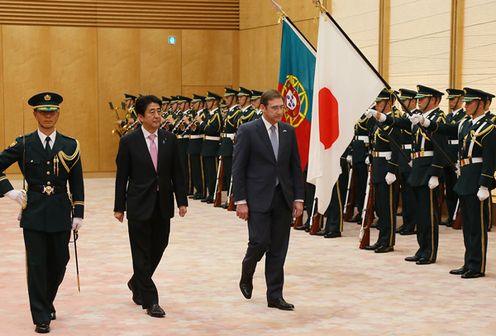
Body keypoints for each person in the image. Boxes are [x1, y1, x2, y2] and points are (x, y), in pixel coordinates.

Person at [0, 92, 84, 334]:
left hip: (60, 210)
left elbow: (77, 181)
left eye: (52, 111)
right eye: (43, 112)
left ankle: (46, 301)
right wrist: (9, 192)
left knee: (60, 261)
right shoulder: (24, 143)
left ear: (58, 113)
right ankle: (41, 315)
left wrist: (78, 212)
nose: (48, 116)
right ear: (35, 114)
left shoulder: (70, 145)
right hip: (34, 211)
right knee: (37, 264)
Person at [114, 95, 188, 318]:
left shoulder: (169, 139)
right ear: (140, 117)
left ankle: (137, 282)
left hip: (163, 203)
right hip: (138, 203)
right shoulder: (128, 141)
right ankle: (151, 300)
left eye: (159, 111)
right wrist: (119, 206)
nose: (157, 116)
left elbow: (178, 172)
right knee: (140, 252)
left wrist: (182, 200)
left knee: (160, 245)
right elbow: (122, 177)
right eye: (152, 112)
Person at [232, 89, 304, 311]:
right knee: (260, 241)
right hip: (257, 198)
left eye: (282, 107)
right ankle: (248, 269)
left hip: (282, 197)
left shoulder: (288, 131)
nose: (280, 111)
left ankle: (275, 295)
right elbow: (239, 167)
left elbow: (295, 167)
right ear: (262, 108)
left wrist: (299, 198)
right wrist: (240, 200)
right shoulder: (248, 130)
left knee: (279, 248)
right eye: (274, 107)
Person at [415, 88, 496, 278]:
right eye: (465, 102)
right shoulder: (465, 124)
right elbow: (448, 129)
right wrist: (426, 122)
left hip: (477, 178)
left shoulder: (489, 127)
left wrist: (485, 184)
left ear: (483, 104)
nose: (466, 105)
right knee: (467, 225)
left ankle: (477, 265)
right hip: (466, 177)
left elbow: (491, 158)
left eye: (470, 102)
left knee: (477, 226)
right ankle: (469, 262)